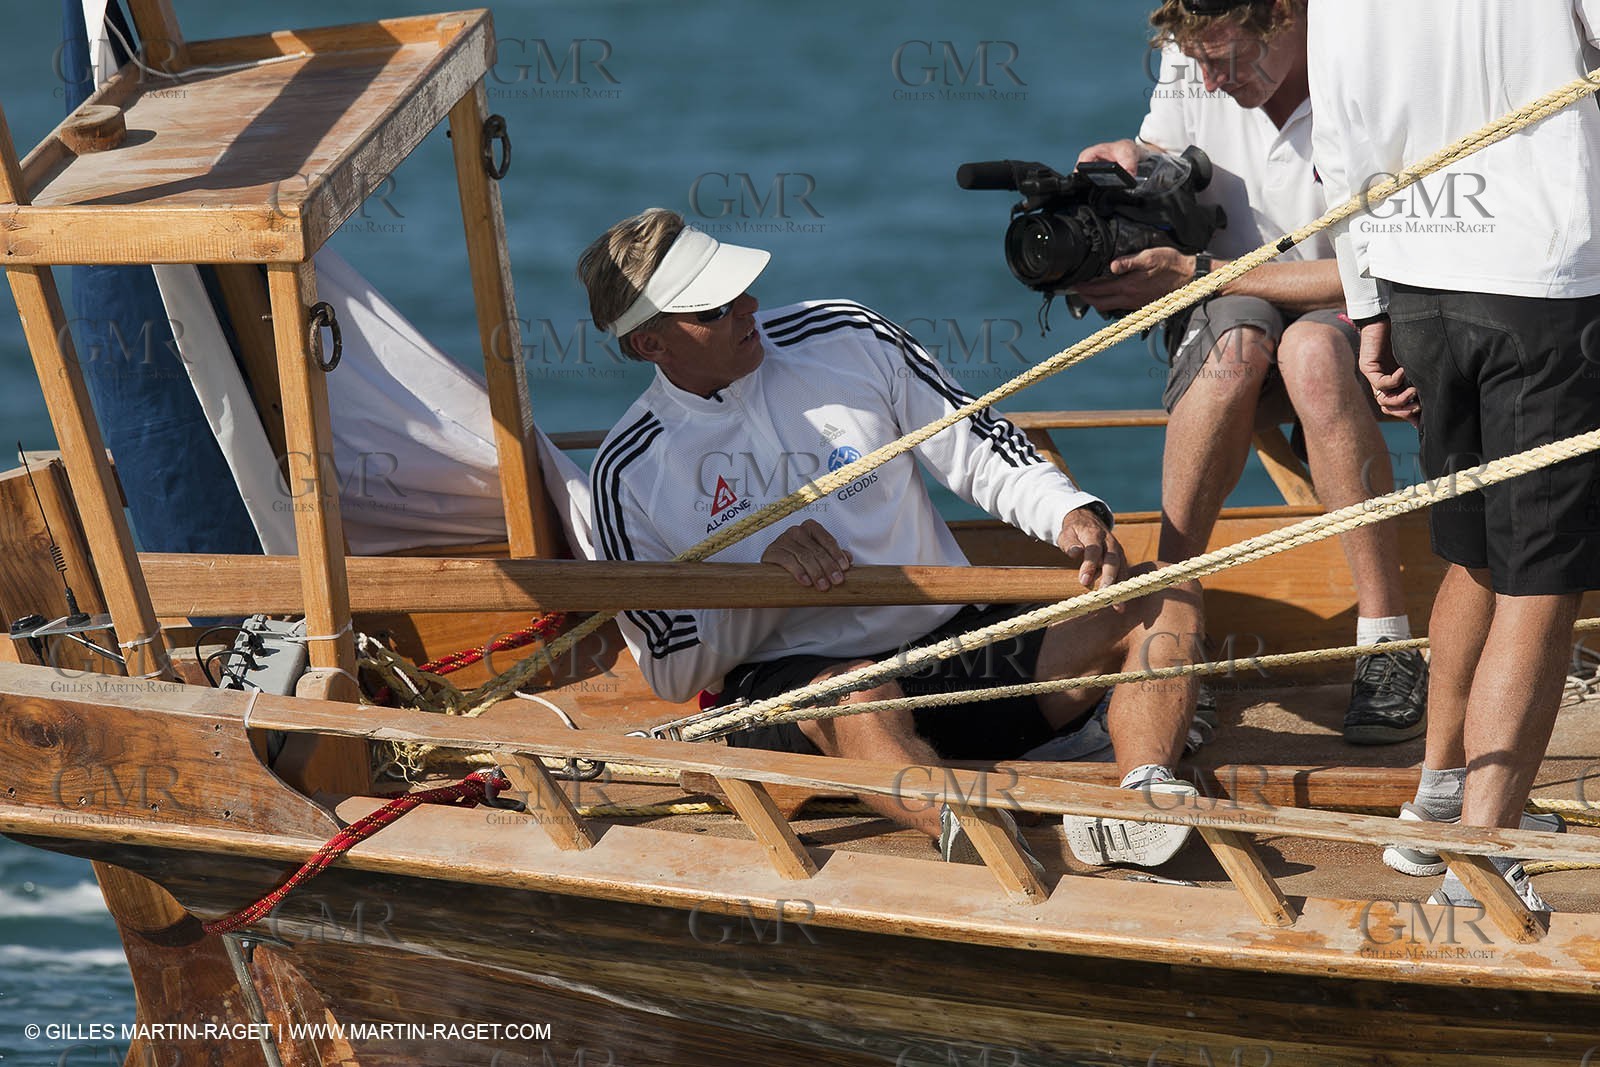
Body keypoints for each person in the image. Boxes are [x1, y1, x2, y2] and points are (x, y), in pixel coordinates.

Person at [578, 208, 1205, 870]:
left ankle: (1141, 804)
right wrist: (762, 586)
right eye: (716, 308)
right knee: (859, 694)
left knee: (1166, 593)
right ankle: (970, 834)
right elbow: (673, 670)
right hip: (813, 692)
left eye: (740, 289)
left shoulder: (846, 334)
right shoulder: (627, 473)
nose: (748, 307)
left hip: (959, 656)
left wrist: (1067, 511)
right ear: (651, 344)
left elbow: (974, 444)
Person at [1307, 0, 1600, 909]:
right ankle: (1481, 863)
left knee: (1475, 551)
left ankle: (1440, 796)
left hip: (1416, 277)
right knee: (1542, 578)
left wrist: (1367, 309)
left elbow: (1339, 144)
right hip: (1543, 281)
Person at [1072, 0, 1426, 744]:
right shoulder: (1195, 58)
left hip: (1357, 314)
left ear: (1287, 17)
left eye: (1225, 61)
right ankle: (1172, 627)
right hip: (1237, 312)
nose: (1209, 81)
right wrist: (1129, 166)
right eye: (1196, 62)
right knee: (1238, 340)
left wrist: (1199, 273)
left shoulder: (1370, 61)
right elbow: (1164, 155)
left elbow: (1369, 273)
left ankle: (1386, 640)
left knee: (1311, 354)